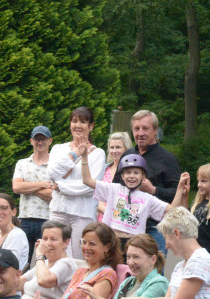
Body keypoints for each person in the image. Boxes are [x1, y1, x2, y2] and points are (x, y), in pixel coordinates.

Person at [81, 154, 187, 247]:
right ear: (122, 176)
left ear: (143, 176)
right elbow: (87, 180)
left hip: (135, 244)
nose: (131, 176)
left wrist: (180, 188)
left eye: (136, 173)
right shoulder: (114, 189)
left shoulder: (148, 199)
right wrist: (84, 156)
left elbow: (172, 210)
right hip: (114, 242)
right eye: (128, 172)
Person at [47, 106, 106, 257]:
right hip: (58, 210)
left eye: (83, 122)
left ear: (91, 126)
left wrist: (60, 185)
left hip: (82, 213)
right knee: (54, 256)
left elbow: (88, 186)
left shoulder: (98, 154)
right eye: (74, 121)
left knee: (80, 258)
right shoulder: (58, 149)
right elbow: (51, 173)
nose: (78, 125)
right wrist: (75, 153)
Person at [123, 110, 183, 253]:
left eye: (145, 128)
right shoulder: (128, 155)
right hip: (127, 225)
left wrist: (154, 190)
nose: (140, 133)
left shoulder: (168, 159)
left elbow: (178, 193)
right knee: (127, 266)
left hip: (155, 228)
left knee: (154, 266)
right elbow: (116, 185)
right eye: (136, 129)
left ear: (155, 130)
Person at [159, 205, 210, 299]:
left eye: (166, 238)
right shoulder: (180, 266)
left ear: (176, 233)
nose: (166, 246)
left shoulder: (200, 261)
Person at [100, 235, 169, 299]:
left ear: (153, 259)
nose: (130, 262)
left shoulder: (159, 283)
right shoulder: (127, 282)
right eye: (128, 257)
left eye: (136, 257)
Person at [56, 222, 122, 299]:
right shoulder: (80, 272)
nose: (86, 247)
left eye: (92, 244)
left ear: (107, 247)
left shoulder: (107, 273)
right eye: (84, 242)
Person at [12, 125, 54, 256]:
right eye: (37, 139)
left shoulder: (55, 165)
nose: (40, 142)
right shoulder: (22, 163)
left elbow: (53, 195)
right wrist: (43, 184)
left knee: (46, 260)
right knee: (22, 260)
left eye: (43, 139)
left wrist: (27, 187)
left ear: (50, 141)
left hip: (47, 220)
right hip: (24, 219)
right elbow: (16, 187)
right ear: (31, 141)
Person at [21, 221, 76, 299]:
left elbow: (44, 281)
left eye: (53, 239)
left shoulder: (66, 264)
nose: (47, 243)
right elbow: (18, 283)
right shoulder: (44, 263)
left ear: (66, 242)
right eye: (45, 239)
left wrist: (39, 255)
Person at [186, 163, 210, 257]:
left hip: (209, 258)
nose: (199, 185)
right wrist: (184, 194)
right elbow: (185, 221)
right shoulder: (197, 204)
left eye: (203, 181)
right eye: (198, 181)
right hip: (193, 256)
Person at [96, 132, 134, 220]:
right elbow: (97, 196)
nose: (114, 151)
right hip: (103, 218)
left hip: (123, 218)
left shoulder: (133, 172)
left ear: (127, 149)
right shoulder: (104, 170)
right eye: (112, 147)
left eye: (118, 147)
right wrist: (108, 212)